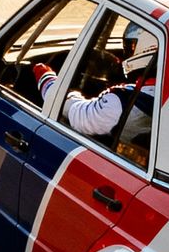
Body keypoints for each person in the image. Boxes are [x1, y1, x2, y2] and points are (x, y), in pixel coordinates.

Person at [33, 23, 158, 154]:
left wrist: (45, 78)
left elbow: (73, 111)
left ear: (145, 49)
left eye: (131, 46)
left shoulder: (121, 102)